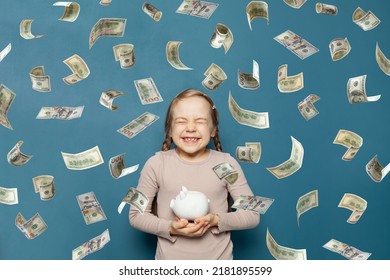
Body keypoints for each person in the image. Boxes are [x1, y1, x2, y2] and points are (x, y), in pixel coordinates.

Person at [129, 88, 260, 260]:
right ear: (169, 129)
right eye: (181, 121)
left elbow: (252, 214)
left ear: (213, 130)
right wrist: (170, 228)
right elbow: (136, 215)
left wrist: (216, 220)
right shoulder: (156, 164)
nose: (190, 128)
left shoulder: (226, 164)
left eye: (200, 121)